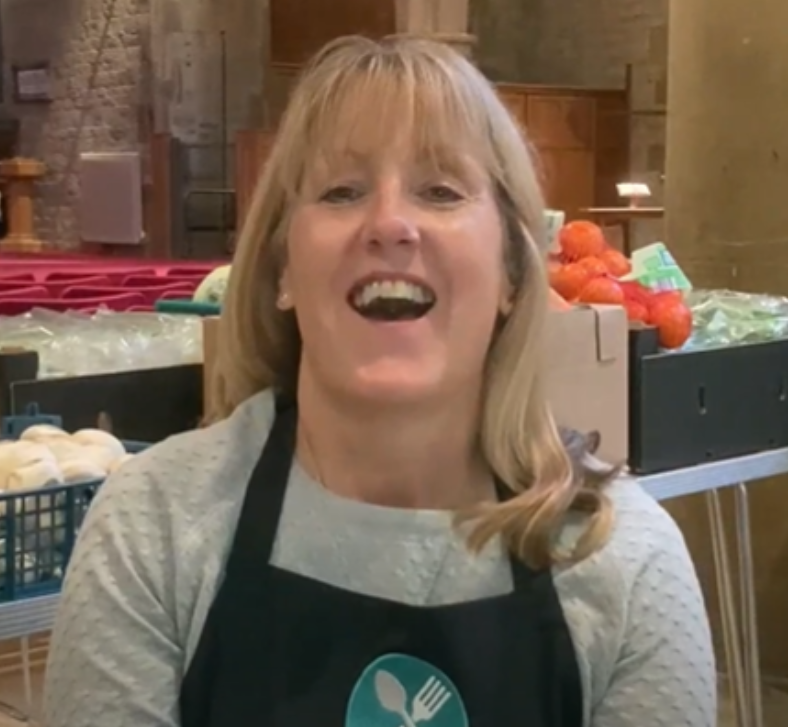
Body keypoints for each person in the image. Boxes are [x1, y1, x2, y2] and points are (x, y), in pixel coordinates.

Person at [43, 35, 716, 727]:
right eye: (341, 191)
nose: (391, 223)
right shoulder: (154, 529)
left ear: (513, 273)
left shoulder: (625, 561)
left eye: (440, 191)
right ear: (281, 269)